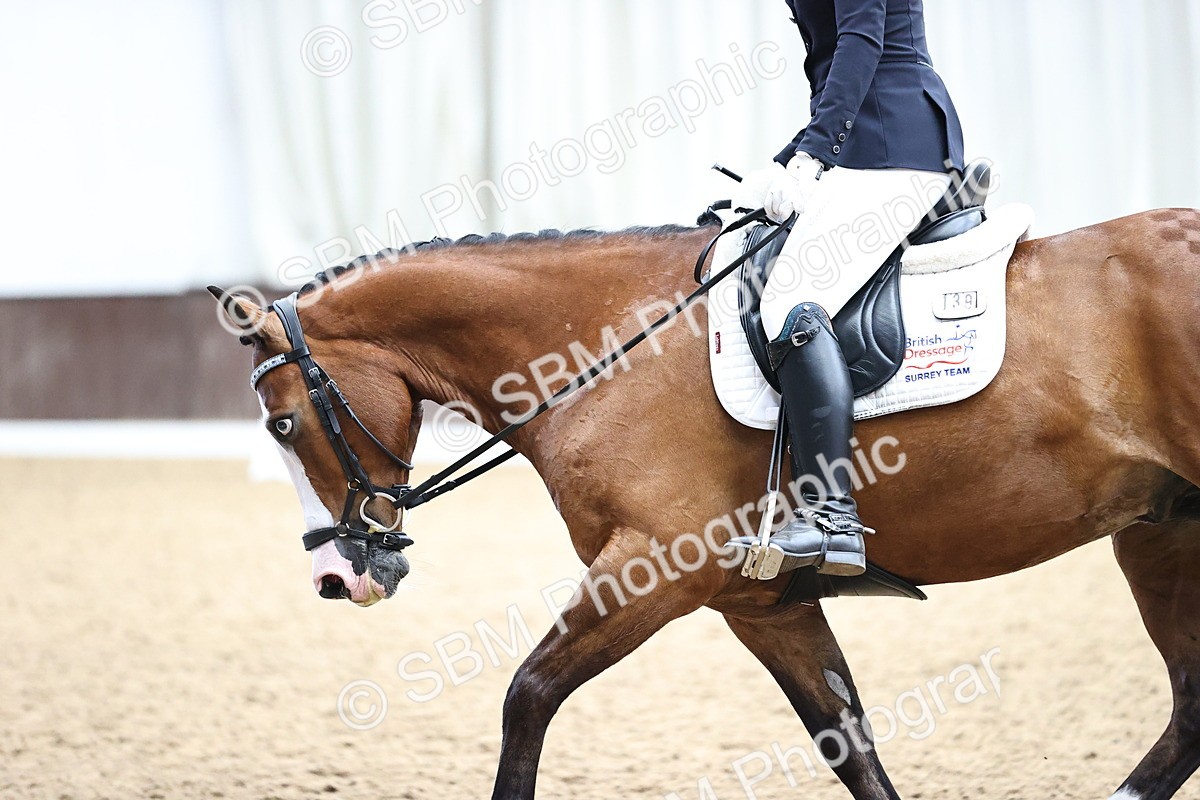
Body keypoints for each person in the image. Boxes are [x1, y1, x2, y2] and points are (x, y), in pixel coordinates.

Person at [727, 0, 965, 578]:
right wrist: (784, 161)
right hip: (872, 140)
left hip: (893, 142)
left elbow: (862, 39)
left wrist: (812, 155)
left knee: (788, 303)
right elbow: (834, 64)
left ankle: (832, 517)